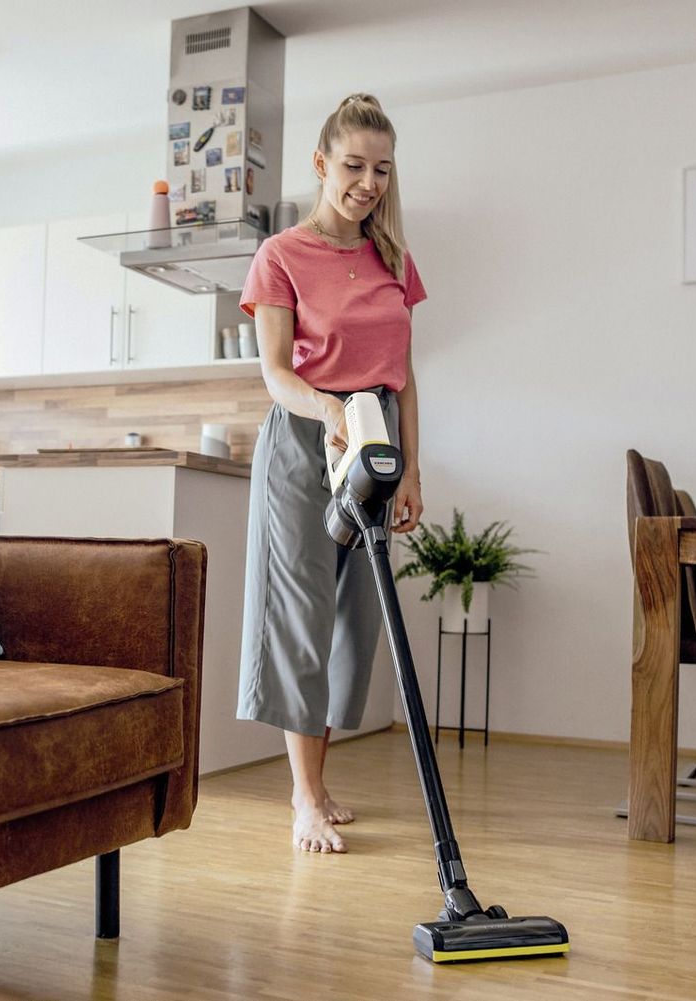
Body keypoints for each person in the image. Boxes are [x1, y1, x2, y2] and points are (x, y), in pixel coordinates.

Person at [236, 93, 427, 854]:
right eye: (353, 165)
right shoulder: (281, 255)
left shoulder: (394, 259)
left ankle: (318, 782)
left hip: (375, 438)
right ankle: (304, 797)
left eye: (382, 168)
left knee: (356, 614)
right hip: (305, 440)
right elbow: (276, 374)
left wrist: (411, 466)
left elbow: (407, 374)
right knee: (301, 617)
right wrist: (330, 409)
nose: (369, 181)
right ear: (321, 164)